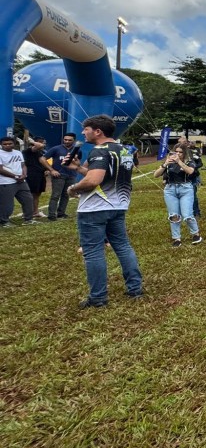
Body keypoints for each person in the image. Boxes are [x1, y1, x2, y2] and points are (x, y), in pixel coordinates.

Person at [66, 115, 142, 308]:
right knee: (123, 246)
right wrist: (78, 168)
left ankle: (98, 297)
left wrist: (73, 188)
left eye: (86, 129)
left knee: (93, 252)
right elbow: (104, 175)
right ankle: (135, 288)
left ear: (98, 131)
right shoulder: (124, 149)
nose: (83, 133)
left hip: (95, 208)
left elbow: (94, 180)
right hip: (118, 205)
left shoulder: (99, 150)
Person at [153, 140, 203, 246]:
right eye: (176, 152)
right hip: (170, 189)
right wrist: (165, 164)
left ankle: (195, 234)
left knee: (187, 214)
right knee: (174, 215)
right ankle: (176, 238)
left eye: (180, 152)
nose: (178, 154)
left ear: (184, 153)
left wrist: (179, 162)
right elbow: (156, 175)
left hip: (185, 188)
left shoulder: (189, 162)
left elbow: (190, 171)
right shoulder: (169, 163)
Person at [44, 132, 81, 221]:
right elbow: (42, 158)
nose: (67, 141)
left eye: (69, 140)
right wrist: (51, 170)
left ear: (74, 140)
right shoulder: (56, 149)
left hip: (71, 175)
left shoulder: (77, 150)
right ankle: (51, 215)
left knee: (66, 195)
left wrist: (76, 163)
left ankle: (61, 213)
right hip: (59, 175)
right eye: (65, 140)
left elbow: (78, 163)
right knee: (56, 195)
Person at [0, 136, 36, 226]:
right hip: (6, 182)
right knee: (7, 203)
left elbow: (23, 165)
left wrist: (24, 175)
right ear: (1, 145)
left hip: (21, 181)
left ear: (14, 144)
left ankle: (29, 219)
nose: (7, 145)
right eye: (5, 144)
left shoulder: (18, 152)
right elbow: (0, 169)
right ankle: (4, 221)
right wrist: (15, 176)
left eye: (10, 144)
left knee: (28, 199)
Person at [22, 135, 48, 219]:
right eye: (42, 142)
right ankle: (27, 212)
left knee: (37, 194)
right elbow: (39, 146)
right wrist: (31, 141)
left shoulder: (42, 152)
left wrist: (46, 170)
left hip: (40, 175)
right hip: (32, 175)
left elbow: (44, 163)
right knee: (30, 194)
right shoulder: (29, 151)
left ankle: (35, 212)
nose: (43, 144)